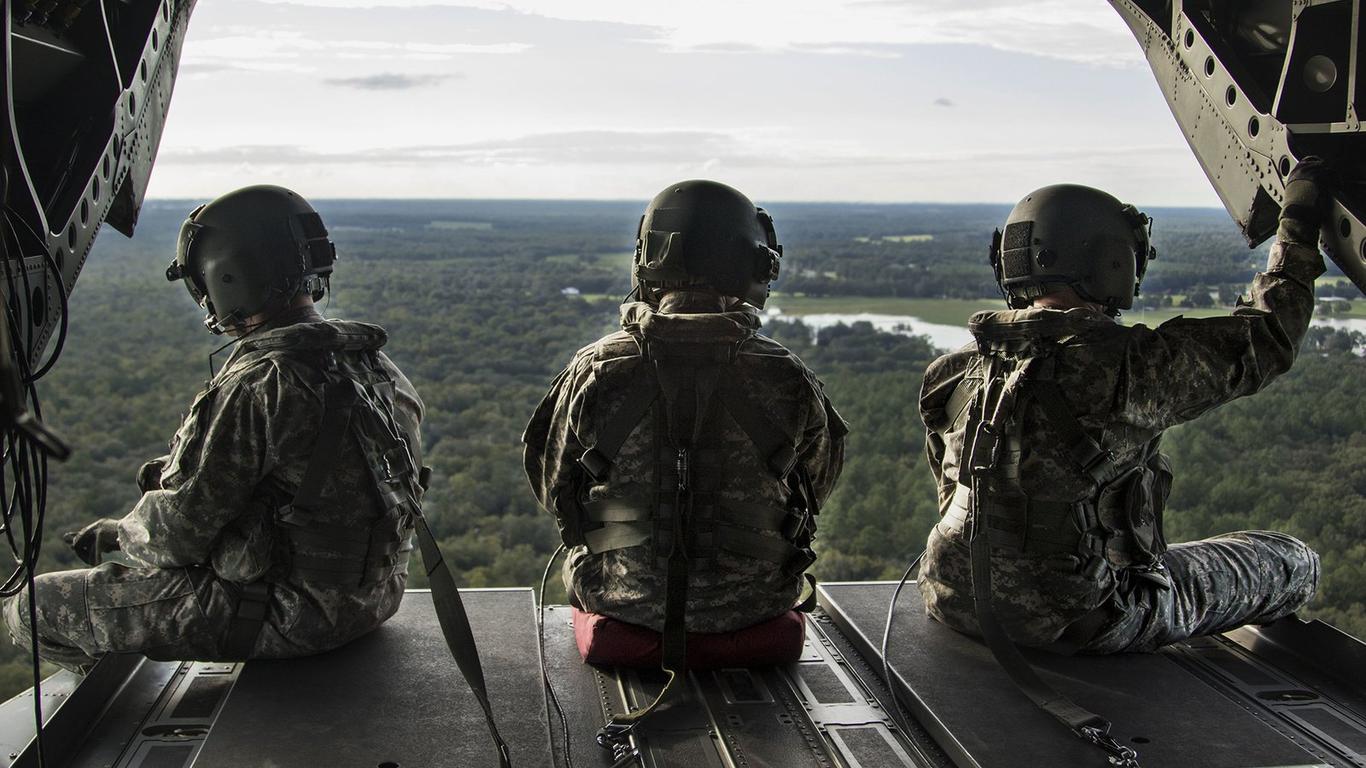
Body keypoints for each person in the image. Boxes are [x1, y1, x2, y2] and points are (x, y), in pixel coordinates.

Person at [3, 185, 425, 669]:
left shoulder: (261, 384)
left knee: (32, 609)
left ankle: (124, 717)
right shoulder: (377, 367)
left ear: (227, 278)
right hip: (375, 597)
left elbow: (176, 536)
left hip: (295, 614)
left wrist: (122, 536)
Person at [917, 161, 1328, 654]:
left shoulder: (952, 371)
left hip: (953, 597)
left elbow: (955, 490)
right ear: (1112, 262)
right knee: (1289, 559)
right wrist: (1298, 227)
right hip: (1079, 617)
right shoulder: (1131, 365)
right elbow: (1269, 337)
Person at [524, 179, 847, 641]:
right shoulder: (788, 376)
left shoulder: (596, 369)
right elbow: (814, 489)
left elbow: (553, 488)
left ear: (647, 260)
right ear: (754, 264)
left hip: (619, 598)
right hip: (755, 605)